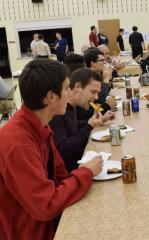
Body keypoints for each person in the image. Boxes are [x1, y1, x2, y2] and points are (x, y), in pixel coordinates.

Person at [0, 59, 103, 240]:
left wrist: (79, 177)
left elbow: (61, 176)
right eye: (66, 89)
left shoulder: (40, 125)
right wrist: (86, 173)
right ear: (51, 96)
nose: (70, 93)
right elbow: (45, 205)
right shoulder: (18, 143)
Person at [50, 68, 115, 173]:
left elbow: (73, 127)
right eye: (93, 92)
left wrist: (98, 120)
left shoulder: (71, 108)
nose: (96, 97)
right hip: (70, 174)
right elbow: (62, 150)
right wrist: (89, 127)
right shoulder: (59, 111)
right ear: (77, 87)